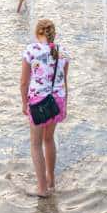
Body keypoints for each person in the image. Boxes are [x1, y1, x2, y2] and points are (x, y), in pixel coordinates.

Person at [20, 19, 69, 197]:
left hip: (39, 103)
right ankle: (51, 180)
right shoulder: (63, 51)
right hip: (58, 101)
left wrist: (24, 103)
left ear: (37, 33)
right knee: (49, 139)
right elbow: (64, 81)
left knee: (35, 144)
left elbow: (24, 82)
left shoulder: (31, 50)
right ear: (52, 33)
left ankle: (42, 189)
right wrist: (65, 105)